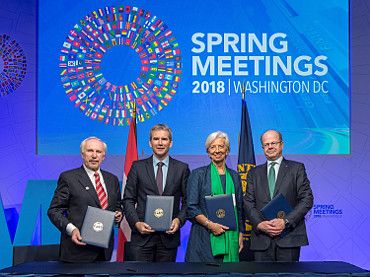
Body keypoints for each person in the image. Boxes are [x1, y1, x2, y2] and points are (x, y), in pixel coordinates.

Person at [47, 137, 122, 262]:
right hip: (77, 251)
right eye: (89, 151)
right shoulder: (68, 178)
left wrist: (119, 213)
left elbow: (117, 205)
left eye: (98, 152)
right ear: (82, 154)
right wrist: (72, 229)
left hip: (103, 251)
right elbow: (54, 210)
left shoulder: (112, 179)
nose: (94, 155)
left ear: (103, 156)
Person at [122, 124, 190, 262]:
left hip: (168, 239)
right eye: (156, 139)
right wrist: (136, 223)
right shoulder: (137, 167)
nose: (160, 143)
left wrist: (179, 220)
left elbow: (188, 201)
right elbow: (128, 199)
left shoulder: (182, 168)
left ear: (170, 143)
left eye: (164, 139)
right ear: (150, 142)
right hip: (141, 239)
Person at [244, 129, 313, 261]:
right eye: (266, 144)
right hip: (262, 240)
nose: (270, 146)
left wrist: (285, 221)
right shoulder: (253, 173)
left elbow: (307, 199)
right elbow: (248, 202)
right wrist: (259, 224)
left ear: (281, 144)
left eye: (274, 143)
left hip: (289, 237)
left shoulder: (297, 168)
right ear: (263, 147)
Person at [185, 131, 244, 262]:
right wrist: (211, 225)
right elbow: (191, 207)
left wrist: (240, 234)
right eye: (212, 147)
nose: (217, 150)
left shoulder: (235, 176)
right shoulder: (198, 175)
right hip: (204, 238)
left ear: (227, 150)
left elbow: (239, 208)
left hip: (231, 237)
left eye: (221, 146)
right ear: (208, 152)